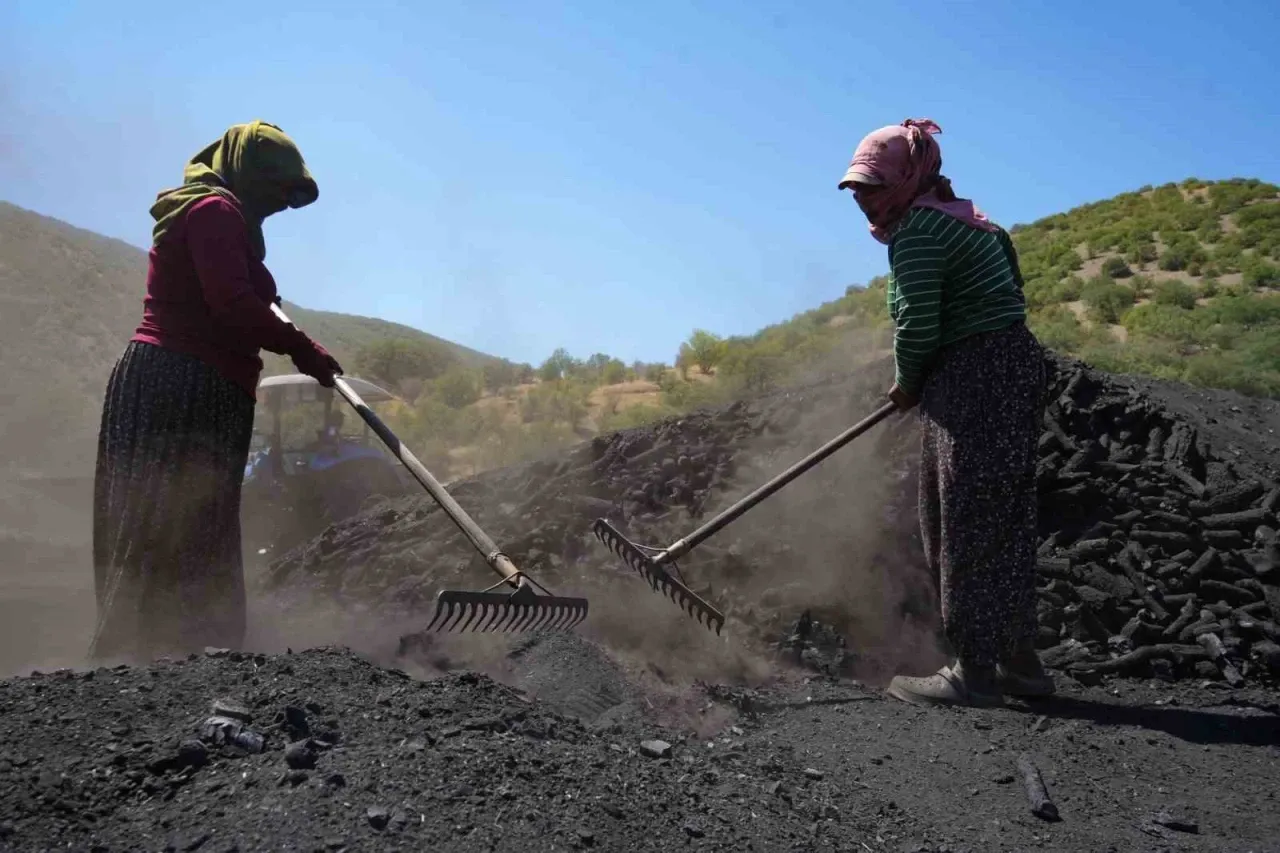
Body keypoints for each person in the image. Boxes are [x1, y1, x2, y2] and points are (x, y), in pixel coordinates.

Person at [89, 120, 343, 662]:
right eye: (278, 189)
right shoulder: (213, 213)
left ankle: (188, 658)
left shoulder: (230, 224)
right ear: (249, 173)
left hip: (205, 384)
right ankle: (149, 659)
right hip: (179, 382)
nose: (281, 205)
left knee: (198, 522)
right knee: (165, 520)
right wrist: (299, 347)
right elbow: (229, 304)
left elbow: (240, 296)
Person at [837, 118, 1052, 707]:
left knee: (960, 521)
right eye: (857, 189)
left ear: (909, 177)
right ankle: (1022, 665)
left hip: (976, 375)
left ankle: (976, 673)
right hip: (1009, 368)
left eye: (874, 186)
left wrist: (907, 385)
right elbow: (1010, 296)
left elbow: (918, 324)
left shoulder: (921, 232)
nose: (863, 200)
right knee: (999, 519)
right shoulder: (972, 224)